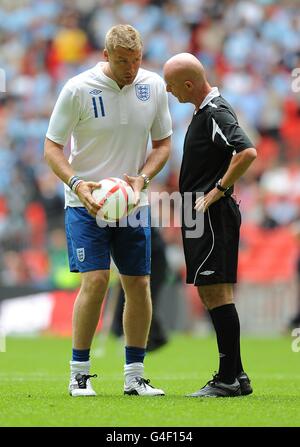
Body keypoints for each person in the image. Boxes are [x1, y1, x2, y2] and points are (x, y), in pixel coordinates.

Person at [44, 24, 172, 397]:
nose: (130, 68)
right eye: (121, 61)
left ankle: (135, 376)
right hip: (86, 203)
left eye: (135, 60)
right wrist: (77, 185)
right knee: (96, 281)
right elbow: (51, 148)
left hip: (131, 203)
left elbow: (162, 144)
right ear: (105, 56)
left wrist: (142, 179)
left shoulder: (153, 86)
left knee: (139, 284)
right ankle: (79, 374)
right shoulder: (77, 89)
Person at [163, 53, 257, 397]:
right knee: (211, 291)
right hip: (198, 213)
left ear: (188, 84)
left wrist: (217, 191)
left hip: (210, 215)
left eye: (171, 85)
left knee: (215, 291)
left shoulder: (215, 111)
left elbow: (247, 152)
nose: (169, 91)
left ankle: (227, 379)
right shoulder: (204, 112)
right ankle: (238, 374)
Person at [111, 226, 169, 352]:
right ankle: (138, 337)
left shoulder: (139, 223)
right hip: (136, 263)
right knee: (132, 299)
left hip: (153, 262)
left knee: (142, 299)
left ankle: (152, 338)